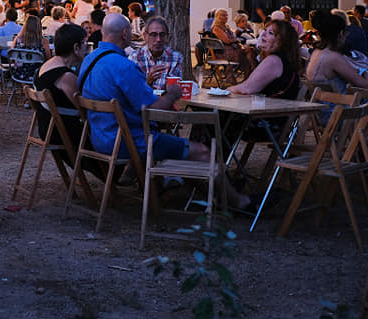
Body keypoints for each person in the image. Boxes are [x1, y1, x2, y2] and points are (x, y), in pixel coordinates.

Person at [78, 14, 250, 207]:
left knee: (182, 149)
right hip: (131, 142)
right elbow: (154, 108)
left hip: (99, 138)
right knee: (202, 152)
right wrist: (173, 94)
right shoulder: (123, 66)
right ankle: (237, 201)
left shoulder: (89, 60)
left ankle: (205, 193)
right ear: (125, 34)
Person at [305, 9, 368, 131]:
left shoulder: (317, 54)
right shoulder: (334, 58)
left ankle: (367, 146)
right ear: (340, 34)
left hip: (325, 114)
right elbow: (363, 84)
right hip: (341, 117)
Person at [33, 23, 88, 152]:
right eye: (85, 43)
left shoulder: (45, 67)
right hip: (67, 135)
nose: (86, 48)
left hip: (48, 129)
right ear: (76, 47)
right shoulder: (65, 76)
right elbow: (84, 109)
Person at [228, 19, 301, 100]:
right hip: (277, 108)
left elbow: (246, 89)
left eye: (270, 33)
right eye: (265, 30)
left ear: (282, 41)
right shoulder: (286, 59)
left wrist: (223, 91)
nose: (263, 34)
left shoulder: (274, 61)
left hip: (272, 110)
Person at [132, 16, 183, 90]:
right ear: (145, 36)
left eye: (162, 35)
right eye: (153, 35)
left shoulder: (175, 57)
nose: (158, 39)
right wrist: (148, 81)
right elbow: (132, 91)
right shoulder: (135, 58)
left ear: (167, 37)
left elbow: (174, 90)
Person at [210, 8, 252, 74]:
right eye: (223, 15)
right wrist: (236, 40)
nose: (226, 17)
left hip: (231, 49)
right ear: (217, 16)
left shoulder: (226, 26)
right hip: (222, 52)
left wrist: (235, 40)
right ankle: (234, 73)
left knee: (250, 52)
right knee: (248, 54)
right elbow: (227, 41)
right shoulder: (216, 28)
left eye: (226, 15)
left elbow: (233, 37)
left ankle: (247, 74)